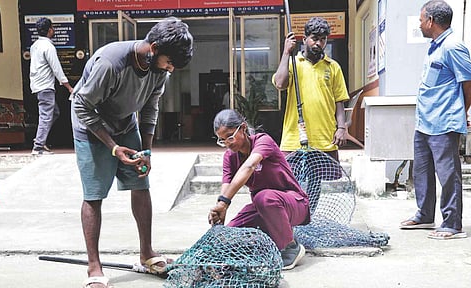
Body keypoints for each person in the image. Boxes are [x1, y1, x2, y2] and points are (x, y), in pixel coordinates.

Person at [70, 17, 193, 288]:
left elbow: (150, 107)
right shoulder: (110, 63)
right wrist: (112, 147)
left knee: (141, 183)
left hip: (126, 122)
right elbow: (81, 107)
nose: (170, 69)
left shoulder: (159, 69)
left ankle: (147, 253)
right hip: (91, 125)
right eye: (169, 62)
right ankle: (94, 267)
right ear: (154, 48)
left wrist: (146, 150)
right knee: (94, 195)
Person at [399, 1, 471, 240]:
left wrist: (460, 112)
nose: (419, 24)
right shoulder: (434, 47)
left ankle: (452, 224)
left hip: (444, 123)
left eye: (421, 20)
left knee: (448, 174)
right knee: (421, 171)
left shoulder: (453, 47)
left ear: (430, 21)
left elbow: (468, 84)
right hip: (425, 122)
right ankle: (425, 214)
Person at [208, 109, 310, 270]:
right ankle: (273, 235)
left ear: (242, 128)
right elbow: (226, 184)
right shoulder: (230, 157)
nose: (228, 143)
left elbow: (249, 165)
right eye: (222, 140)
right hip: (262, 208)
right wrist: (220, 208)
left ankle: (290, 246)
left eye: (230, 137)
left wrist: (225, 203)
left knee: (264, 197)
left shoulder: (263, 141)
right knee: (225, 238)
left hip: (295, 204)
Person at [272, 17, 349, 161]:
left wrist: (341, 128)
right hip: (295, 138)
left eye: (322, 40)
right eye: (314, 38)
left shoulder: (333, 67)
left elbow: (339, 101)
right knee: (291, 181)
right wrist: (286, 52)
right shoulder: (293, 63)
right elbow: (280, 84)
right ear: (304, 39)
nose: (318, 43)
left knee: (319, 182)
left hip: (325, 138)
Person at [29, 17, 73, 155]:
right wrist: (69, 87)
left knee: (54, 112)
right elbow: (57, 69)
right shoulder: (48, 47)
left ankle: (40, 139)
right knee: (46, 116)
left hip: (37, 85)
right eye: (52, 28)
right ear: (49, 30)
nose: (53, 30)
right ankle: (38, 146)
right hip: (45, 86)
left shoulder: (34, 45)